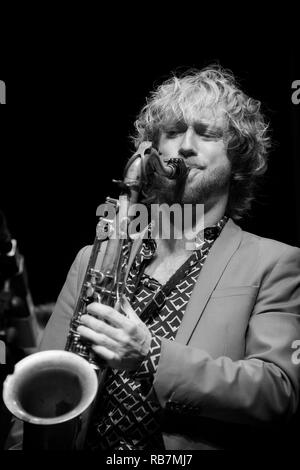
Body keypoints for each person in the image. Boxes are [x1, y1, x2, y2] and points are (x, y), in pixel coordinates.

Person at [10, 66, 300, 450]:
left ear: (238, 160)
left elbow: (278, 393)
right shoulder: (92, 258)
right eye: (174, 132)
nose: (185, 146)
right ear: (153, 152)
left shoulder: (276, 262)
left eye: (207, 133)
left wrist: (150, 355)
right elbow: (37, 385)